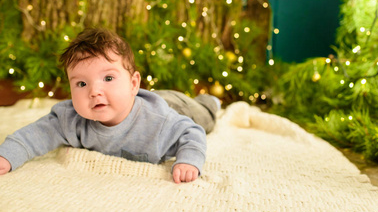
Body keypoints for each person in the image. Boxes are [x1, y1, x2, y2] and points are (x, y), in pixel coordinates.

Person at [0, 28, 220, 183]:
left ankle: (210, 101)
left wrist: (189, 161)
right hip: (140, 99)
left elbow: (191, 132)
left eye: (107, 78)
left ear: (134, 83)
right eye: (82, 83)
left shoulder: (160, 122)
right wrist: (7, 156)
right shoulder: (70, 119)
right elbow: (36, 134)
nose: (94, 91)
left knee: (205, 116)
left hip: (176, 105)